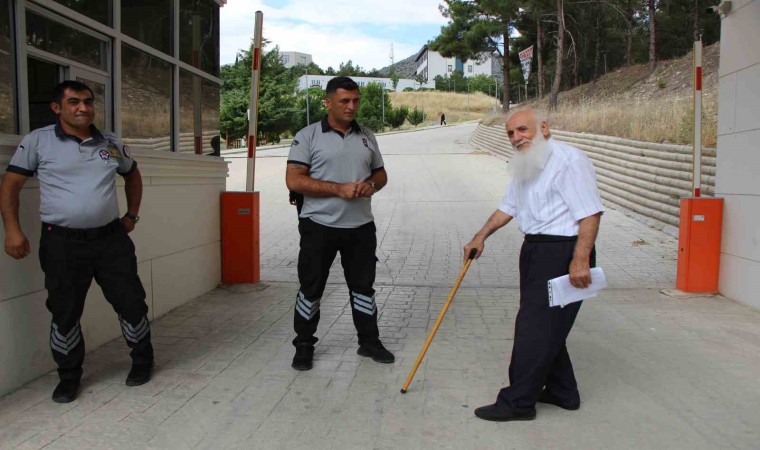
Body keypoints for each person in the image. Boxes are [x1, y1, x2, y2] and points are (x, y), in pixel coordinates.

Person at [0, 81, 154, 403]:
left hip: (111, 240)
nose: (83, 107)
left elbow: (132, 175)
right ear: (57, 107)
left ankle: (142, 361)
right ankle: (69, 377)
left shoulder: (110, 142)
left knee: (131, 302)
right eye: (74, 102)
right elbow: (11, 185)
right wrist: (12, 230)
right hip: (62, 244)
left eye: (88, 101)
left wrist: (132, 215)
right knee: (65, 311)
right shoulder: (38, 141)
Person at [463, 109, 604, 422]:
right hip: (536, 251)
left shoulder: (568, 160)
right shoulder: (526, 164)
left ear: (544, 128)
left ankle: (518, 402)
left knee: (533, 329)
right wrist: (480, 236)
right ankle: (562, 391)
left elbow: (590, 213)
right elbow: (508, 206)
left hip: (563, 254)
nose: (517, 138)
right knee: (546, 327)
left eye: (522, 130)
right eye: (511, 134)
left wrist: (580, 259)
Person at [285, 76, 392, 371]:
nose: (351, 106)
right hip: (318, 226)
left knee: (363, 288)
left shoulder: (367, 135)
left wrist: (372, 184)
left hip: (361, 227)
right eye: (344, 101)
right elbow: (294, 180)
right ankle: (304, 346)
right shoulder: (307, 136)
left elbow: (381, 174)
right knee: (311, 288)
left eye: (356, 100)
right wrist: (338, 189)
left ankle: (369, 342)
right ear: (328, 102)